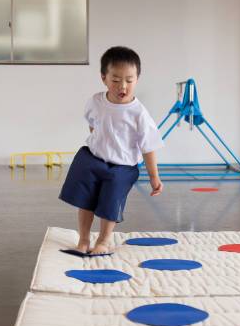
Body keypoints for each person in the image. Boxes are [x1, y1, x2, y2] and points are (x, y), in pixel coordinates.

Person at [59, 46, 164, 254]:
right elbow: (93, 124)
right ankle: (83, 239)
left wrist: (154, 176)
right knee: (86, 199)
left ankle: (104, 240)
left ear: (137, 79)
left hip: (122, 166)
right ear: (104, 78)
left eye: (129, 80)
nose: (122, 85)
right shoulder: (96, 102)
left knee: (110, 202)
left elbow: (148, 147)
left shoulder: (139, 113)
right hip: (93, 159)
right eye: (115, 80)